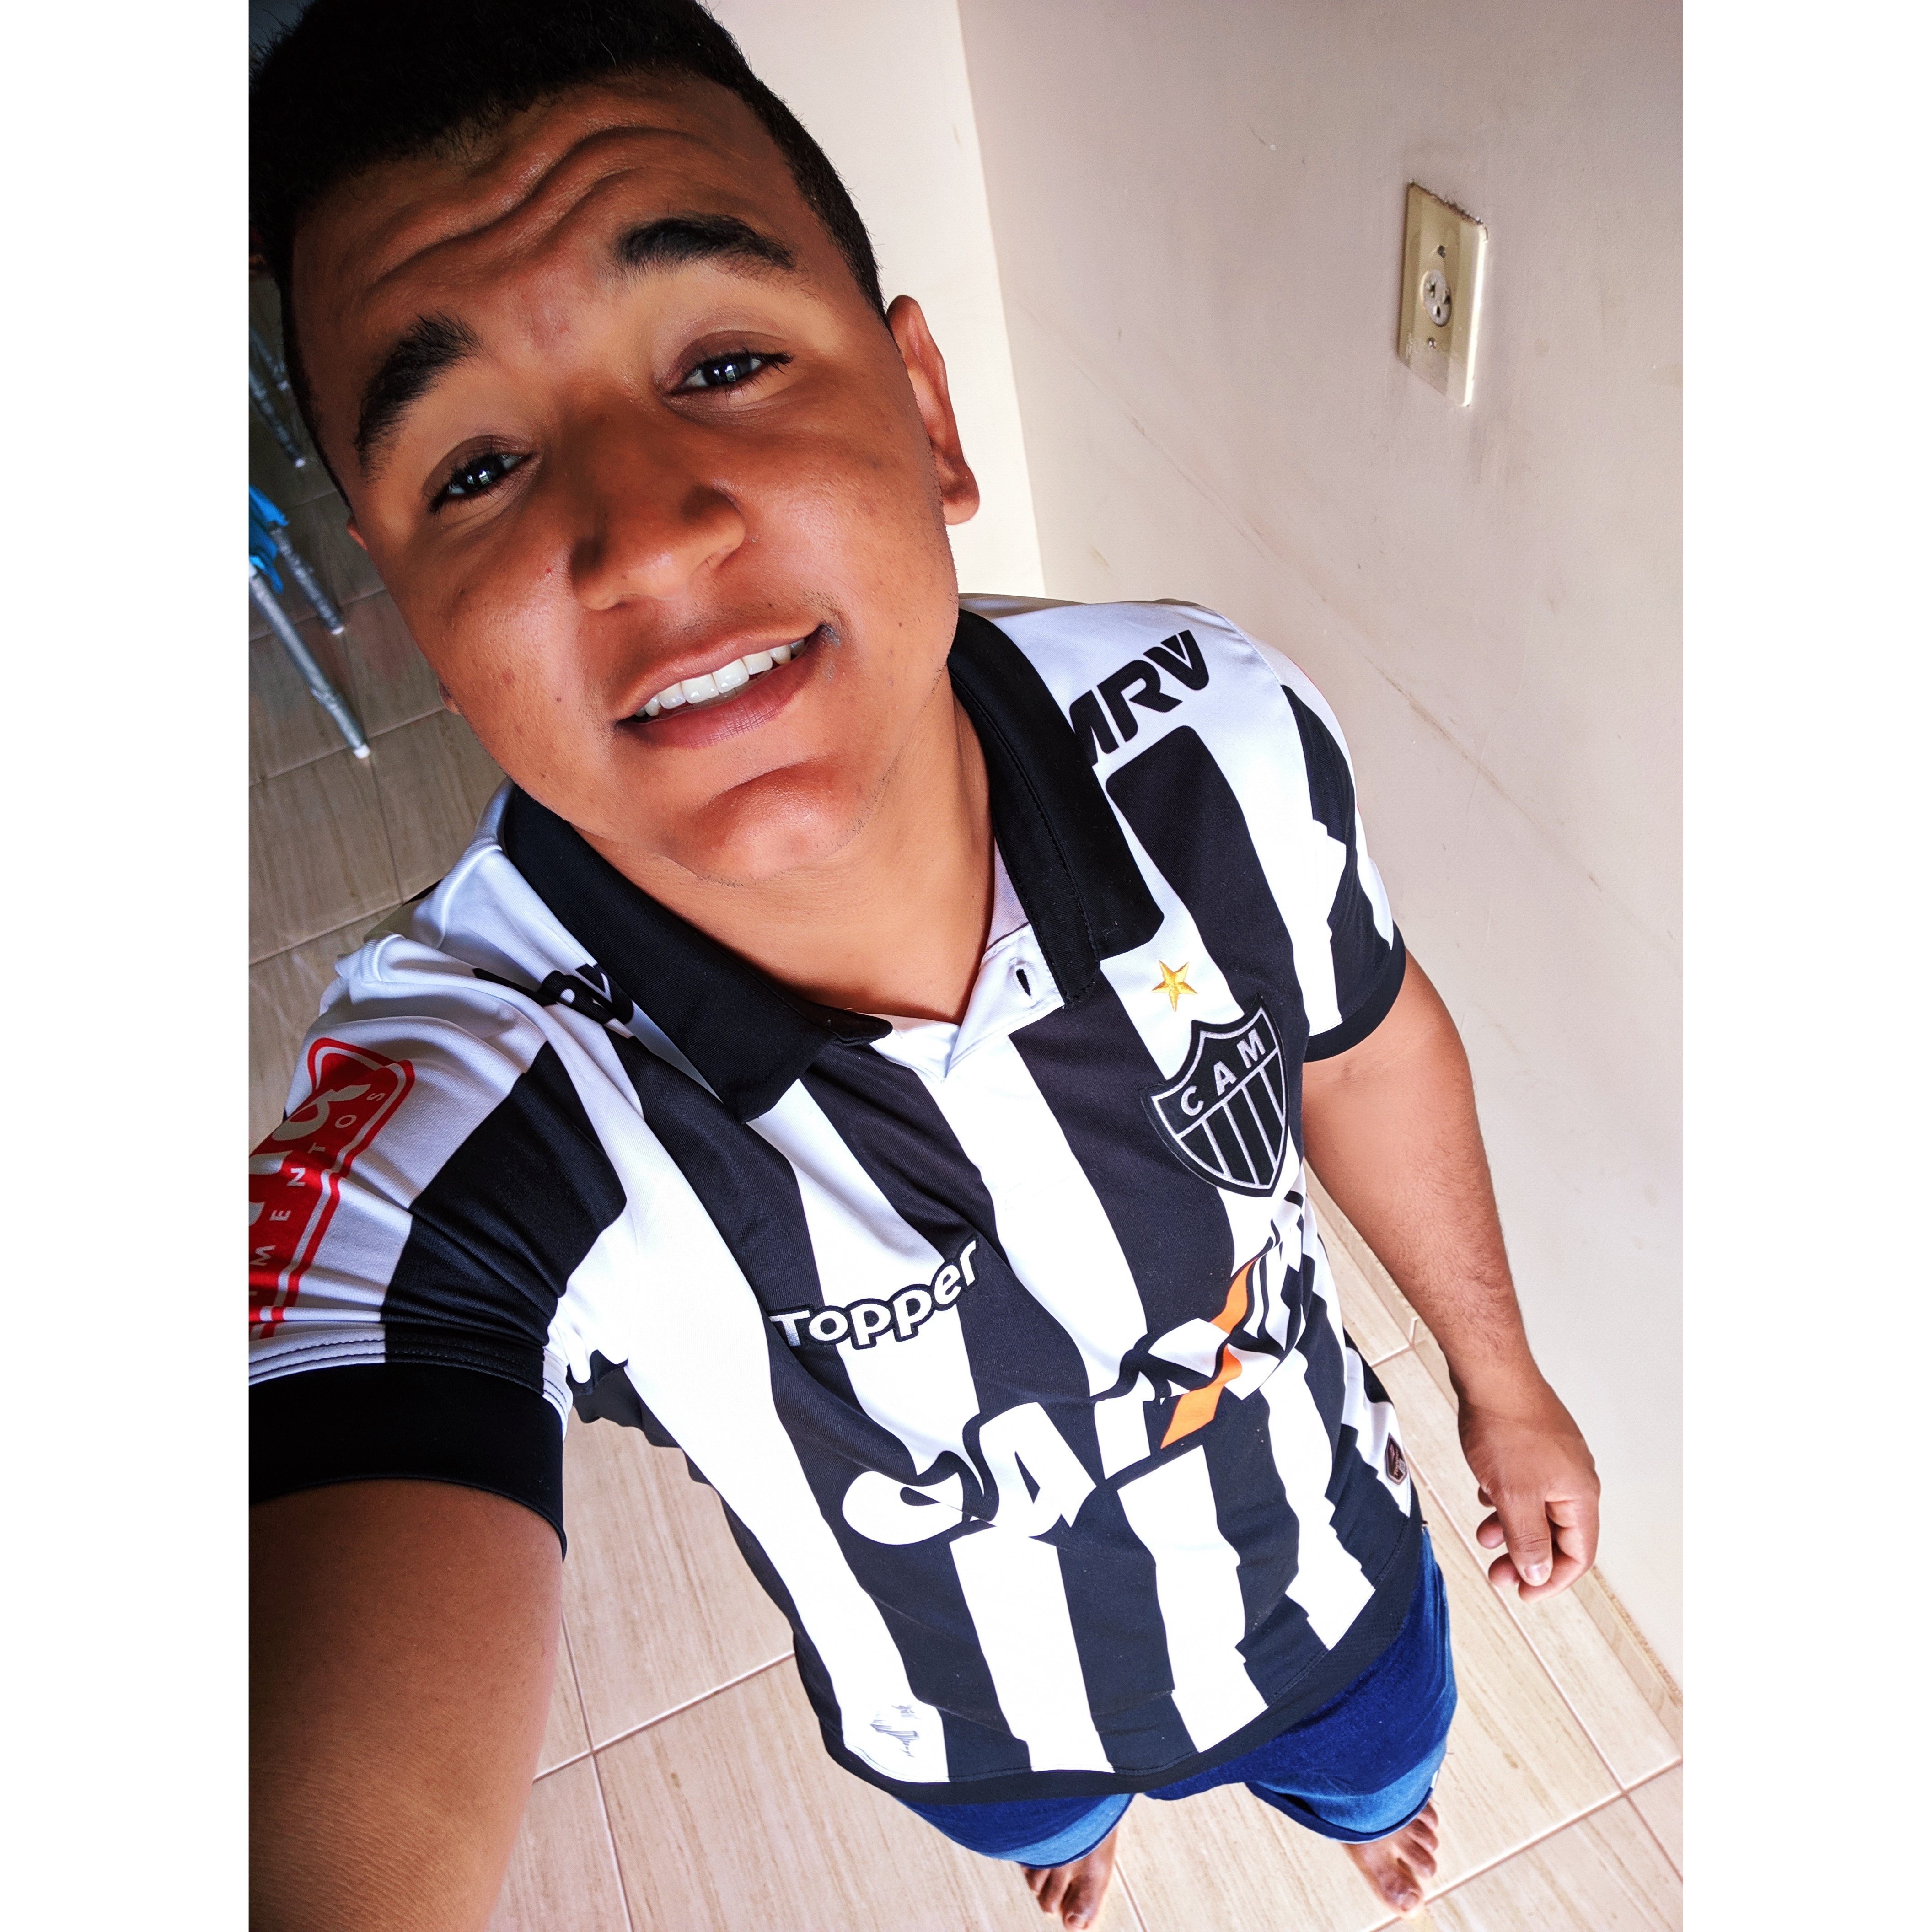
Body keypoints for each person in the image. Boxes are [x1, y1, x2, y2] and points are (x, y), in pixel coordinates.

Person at [247, 5, 1601, 1927]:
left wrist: (1504, 1381)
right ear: (421, 624)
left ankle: (1360, 1812)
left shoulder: (1211, 738)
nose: (645, 541)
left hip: (1331, 1591)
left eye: (722, 362)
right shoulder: (467, 1120)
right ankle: (1080, 1834)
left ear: (928, 416)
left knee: (1381, 1772)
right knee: (1045, 1829)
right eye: (475, 469)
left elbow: (1365, 1043)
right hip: (969, 1732)